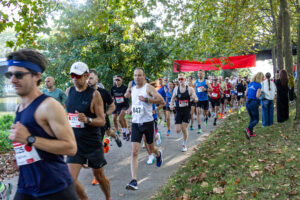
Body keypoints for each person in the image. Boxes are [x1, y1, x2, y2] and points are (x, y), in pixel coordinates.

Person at [6, 49, 78, 199]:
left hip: (54, 189)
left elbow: (71, 148)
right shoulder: (20, 106)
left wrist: (30, 139)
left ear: (36, 76)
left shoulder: (49, 106)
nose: (12, 79)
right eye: (10, 74)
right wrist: (22, 156)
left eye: (19, 74)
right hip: (26, 186)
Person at [65, 62, 111, 200]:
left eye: (77, 76)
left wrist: (88, 120)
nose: (74, 78)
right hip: (75, 143)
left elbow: (102, 121)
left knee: (99, 176)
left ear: (86, 76)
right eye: (72, 75)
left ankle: (108, 197)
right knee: (70, 180)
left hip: (92, 142)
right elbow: (67, 113)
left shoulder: (94, 95)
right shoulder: (69, 91)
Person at [126, 67, 164, 190]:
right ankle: (134, 181)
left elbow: (161, 101)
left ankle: (158, 154)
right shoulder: (132, 89)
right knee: (134, 152)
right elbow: (135, 102)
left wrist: (147, 100)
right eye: (135, 75)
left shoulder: (148, 88)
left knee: (151, 149)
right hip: (136, 124)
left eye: (139, 75)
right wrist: (131, 109)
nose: (137, 77)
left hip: (148, 123)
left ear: (144, 76)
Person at [170, 73, 198, 152]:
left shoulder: (190, 89)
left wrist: (194, 98)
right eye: (179, 79)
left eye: (182, 79)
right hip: (178, 111)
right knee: (178, 130)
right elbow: (172, 98)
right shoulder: (176, 89)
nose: (180, 80)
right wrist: (171, 105)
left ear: (185, 80)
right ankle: (184, 137)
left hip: (186, 111)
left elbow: (196, 98)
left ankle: (184, 143)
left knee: (184, 128)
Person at [244, 72, 264, 139]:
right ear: (260, 78)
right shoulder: (259, 85)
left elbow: (245, 93)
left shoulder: (250, 84)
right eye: (262, 78)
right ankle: (248, 129)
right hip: (253, 102)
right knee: (256, 120)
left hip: (247, 102)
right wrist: (261, 94)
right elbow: (257, 96)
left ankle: (251, 133)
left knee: (252, 118)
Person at [111, 75, 130, 140]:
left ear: (122, 80)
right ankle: (126, 132)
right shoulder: (113, 88)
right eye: (116, 80)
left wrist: (126, 96)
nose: (117, 81)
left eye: (118, 80)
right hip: (117, 105)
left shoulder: (125, 88)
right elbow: (112, 97)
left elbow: (128, 96)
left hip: (124, 105)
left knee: (120, 119)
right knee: (118, 119)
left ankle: (124, 132)